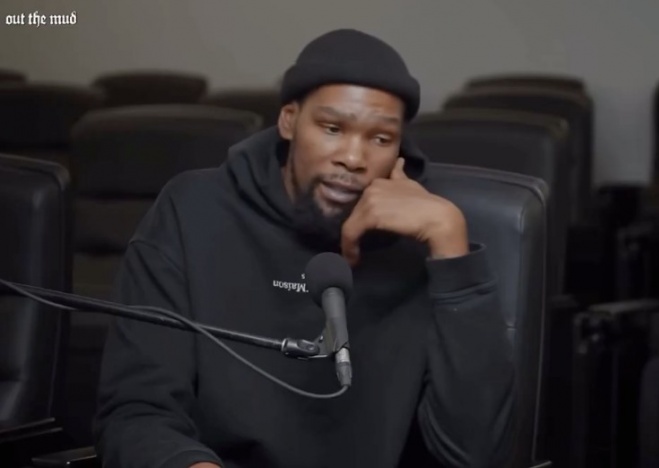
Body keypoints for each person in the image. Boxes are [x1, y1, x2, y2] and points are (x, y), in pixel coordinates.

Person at [94, 29, 516, 468]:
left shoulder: (424, 245)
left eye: (380, 139)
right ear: (289, 120)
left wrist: (450, 244)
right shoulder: (193, 211)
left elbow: (476, 454)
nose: (353, 158)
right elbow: (136, 412)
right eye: (332, 128)